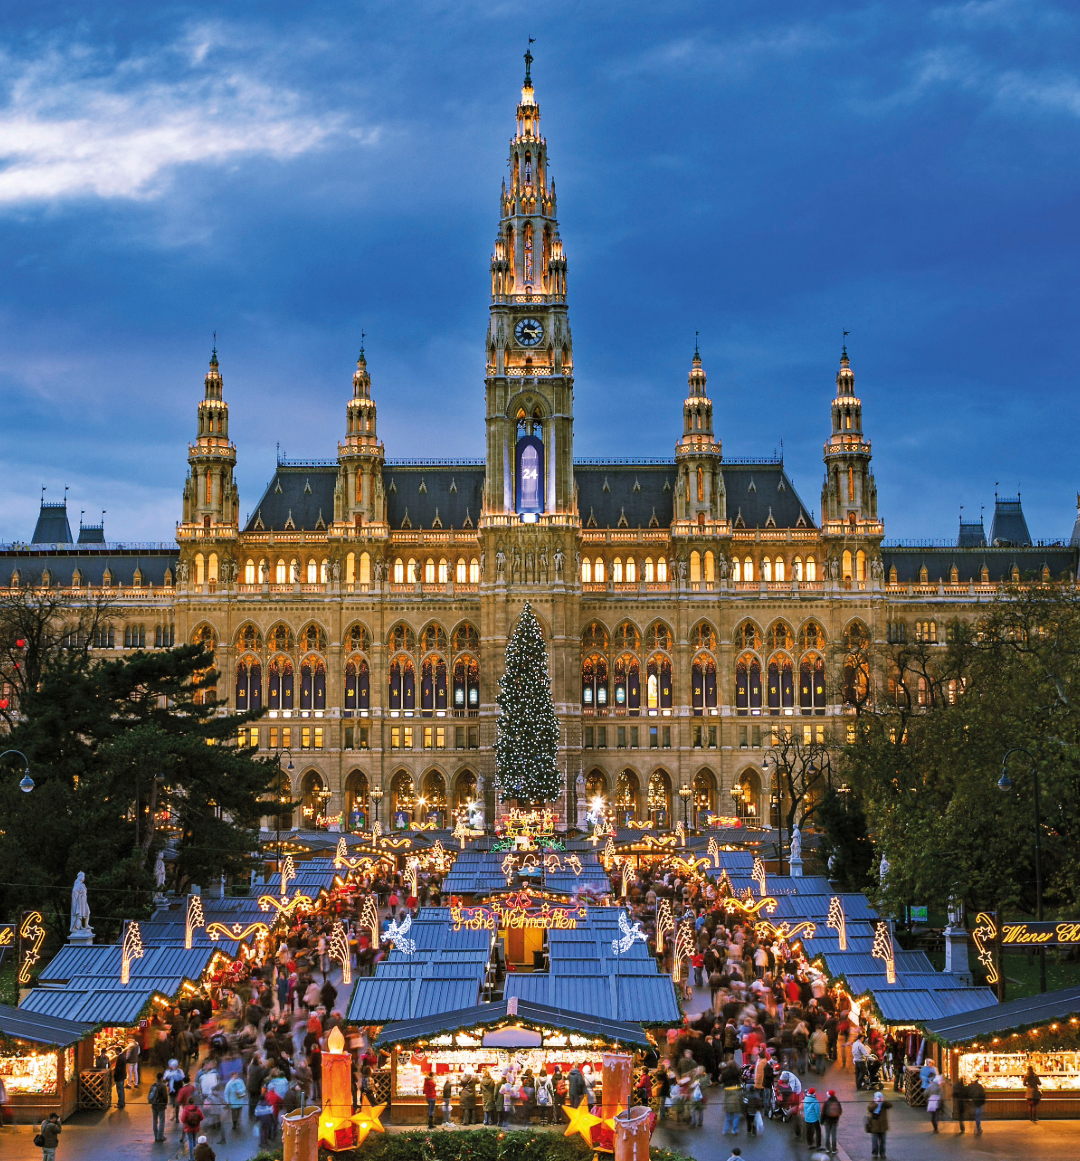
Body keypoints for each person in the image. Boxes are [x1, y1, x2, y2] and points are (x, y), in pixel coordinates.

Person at [866, 1091, 890, 1158]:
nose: (879, 1098)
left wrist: (883, 1101)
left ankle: (882, 1153)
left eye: (880, 1097)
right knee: (874, 1142)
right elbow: (870, 1108)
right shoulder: (872, 1103)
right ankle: (875, 1153)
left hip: (883, 1127)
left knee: (883, 1142)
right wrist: (876, 1103)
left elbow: (890, 1105)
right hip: (874, 1127)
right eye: (877, 1097)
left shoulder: (883, 1105)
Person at [147, 1071, 170, 1142]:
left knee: (154, 1121)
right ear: (161, 1078)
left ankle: (156, 1136)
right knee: (161, 1121)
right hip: (160, 1106)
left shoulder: (153, 1085)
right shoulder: (163, 1086)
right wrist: (165, 1104)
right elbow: (165, 1097)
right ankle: (160, 1136)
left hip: (154, 1105)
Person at [821, 1090, 842, 1155]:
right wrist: (837, 1117)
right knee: (834, 1135)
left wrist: (821, 1121)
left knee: (827, 1134)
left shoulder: (826, 1102)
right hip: (835, 1121)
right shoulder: (837, 1102)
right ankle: (834, 1149)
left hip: (827, 1121)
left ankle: (827, 1148)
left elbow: (823, 1112)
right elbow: (840, 1111)